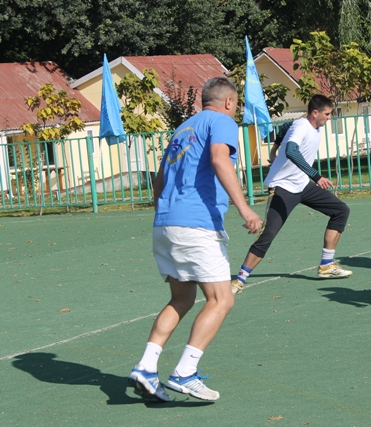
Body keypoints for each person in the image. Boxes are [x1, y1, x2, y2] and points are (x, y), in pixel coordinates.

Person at [128, 77, 262, 401]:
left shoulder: (182, 129)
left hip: (166, 223)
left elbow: (159, 182)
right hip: (196, 226)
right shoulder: (222, 121)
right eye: (236, 104)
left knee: (182, 299)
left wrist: (169, 216)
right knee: (222, 299)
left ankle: (146, 366)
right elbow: (219, 159)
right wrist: (245, 208)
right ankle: (185, 372)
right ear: (228, 102)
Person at [231, 94, 352, 295]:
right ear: (315, 113)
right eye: (327, 114)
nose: (330, 117)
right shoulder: (301, 127)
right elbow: (292, 151)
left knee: (341, 210)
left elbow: (284, 127)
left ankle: (326, 265)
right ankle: (239, 280)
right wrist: (316, 176)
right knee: (268, 234)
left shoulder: (311, 125)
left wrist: (274, 148)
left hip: (303, 185)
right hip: (283, 188)